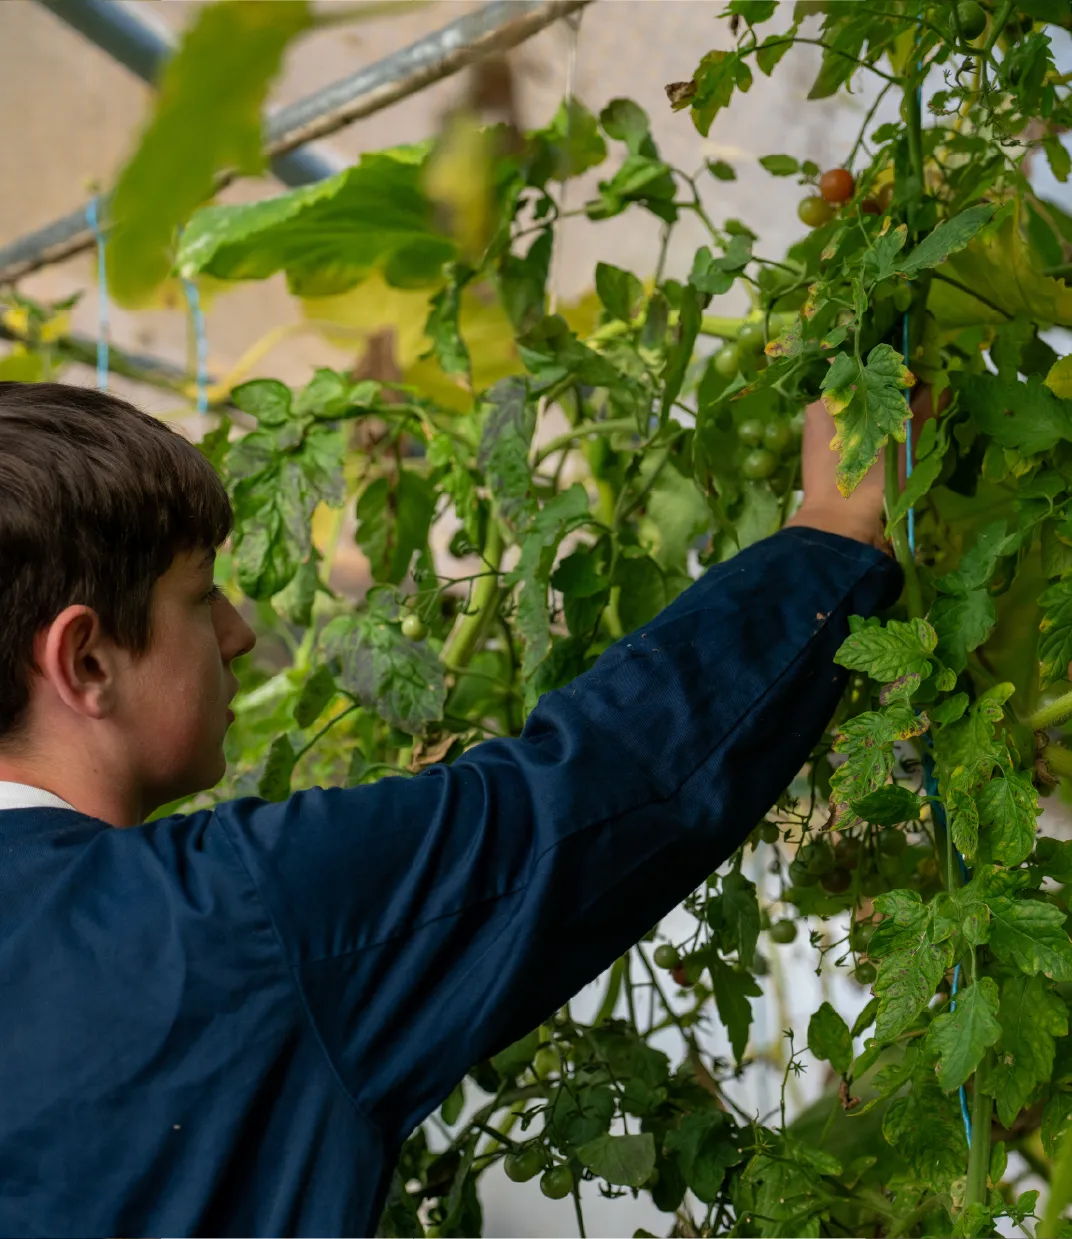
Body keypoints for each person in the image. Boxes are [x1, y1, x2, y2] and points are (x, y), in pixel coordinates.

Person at [0, 380, 902, 1238]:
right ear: (84, 660)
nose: (236, 631)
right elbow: (591, 796)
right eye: (200, 595)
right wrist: (836, 527)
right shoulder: (226, 921)